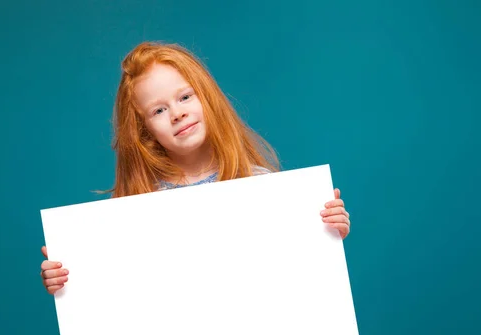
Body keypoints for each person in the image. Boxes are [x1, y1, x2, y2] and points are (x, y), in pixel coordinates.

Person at [39, 41, 351, 295]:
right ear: (145, 130)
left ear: (207, 99)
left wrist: (326, 230)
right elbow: (113, 289)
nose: (177, 113)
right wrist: (67, 276)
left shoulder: (260, 186)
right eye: (159, 110)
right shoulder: (132, 210)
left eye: (185, 97)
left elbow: (293, 271)